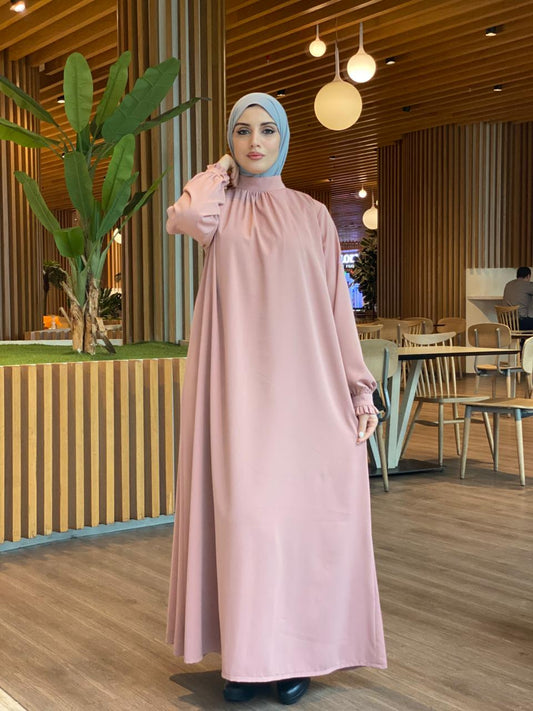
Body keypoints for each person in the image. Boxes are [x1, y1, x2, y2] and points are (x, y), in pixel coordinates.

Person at [165, 92, 386, 706]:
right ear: (229, 141)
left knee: (297, 526)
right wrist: (219, 171)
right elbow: (183, 216)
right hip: (236, 393)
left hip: (307, 394)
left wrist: (358, 390)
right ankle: (247, 658)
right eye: (242, 131)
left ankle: (295, 657)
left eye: (267, 130)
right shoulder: (218, 213)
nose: (255, 141)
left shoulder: (312, 215)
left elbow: (336, 308)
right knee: (247, 524)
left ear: (284, 138)